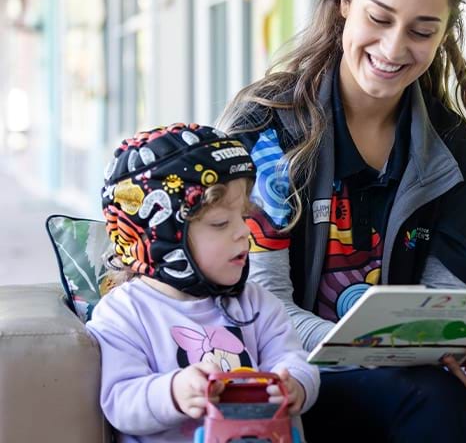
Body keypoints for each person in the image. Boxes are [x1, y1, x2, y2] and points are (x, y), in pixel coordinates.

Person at [217, 0, 466, 441]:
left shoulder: (452, 146)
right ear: (345, 0)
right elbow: (264, 304)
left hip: (412, 380)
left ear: (445, 34)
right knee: (431, 399)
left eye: (421, 30)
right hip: (293, 378)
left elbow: (443, 299)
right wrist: (370, 353)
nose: (393, 49)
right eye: (379, 18)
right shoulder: (267, 128)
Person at [85, 123, 320, 442]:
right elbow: (120, 400)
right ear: (163, 237)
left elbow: (294, 358)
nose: (244, 231)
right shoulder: (124, 313)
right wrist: (173, 391)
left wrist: (296, 383)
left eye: (244, 216)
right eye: (221, 223)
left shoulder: (257, 304)